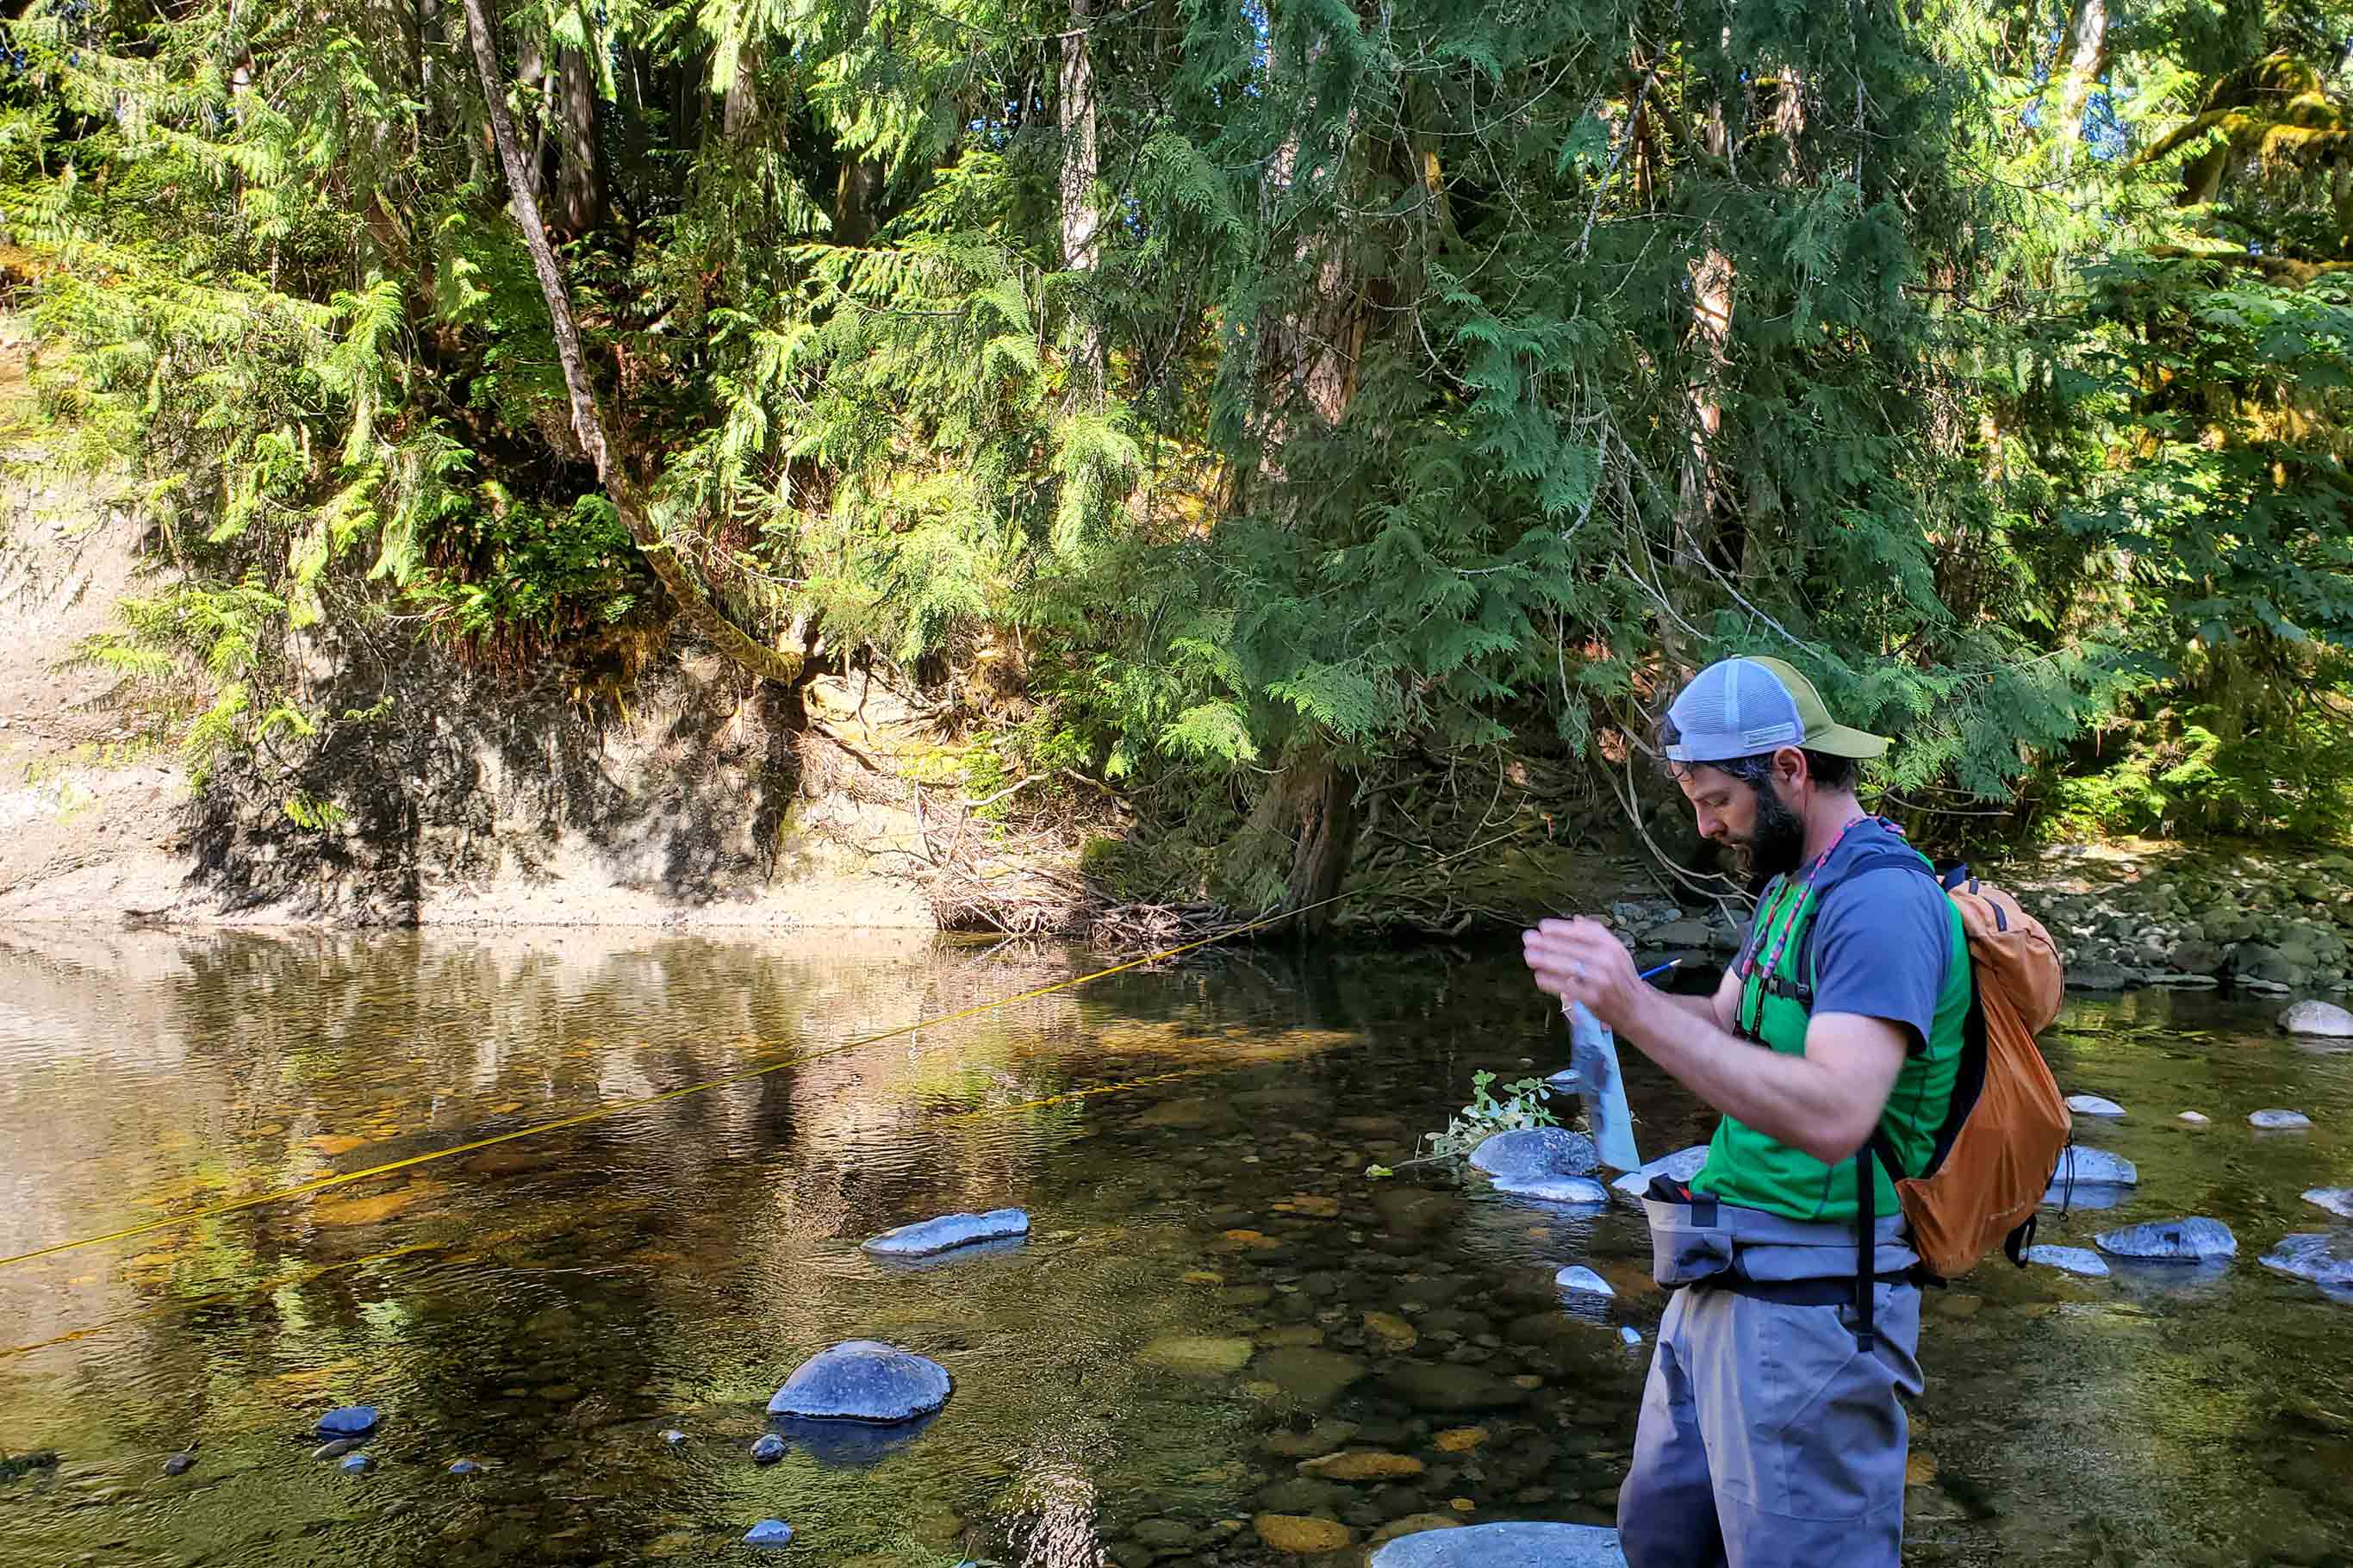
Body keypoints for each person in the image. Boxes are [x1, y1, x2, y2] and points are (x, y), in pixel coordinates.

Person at [1522, 655, 1971, 1568]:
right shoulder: (1791, 887)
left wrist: (1636, 1005)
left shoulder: (1881, 901)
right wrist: (1613, 1010)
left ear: (1790, 769)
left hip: (1816, 1307)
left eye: (1717, 797)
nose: (1705, 824)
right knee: (1662, 1537)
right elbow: (1723, 1022)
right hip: (1721, 1272)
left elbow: (1838, 1110)